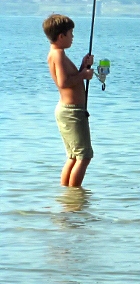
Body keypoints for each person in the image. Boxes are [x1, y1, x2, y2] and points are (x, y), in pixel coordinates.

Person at [44, 14, 95, 187]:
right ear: (61, 36)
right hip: (72, 111)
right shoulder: (57, 55)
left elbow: (70, 78)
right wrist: (84, 74)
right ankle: (75, 197)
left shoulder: (58, 54)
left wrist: (82, 67)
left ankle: (67, 194)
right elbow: (63, 82)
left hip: (69, 110)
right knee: (84, 156)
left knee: (73, 156)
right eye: (71, 33)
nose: (72, 37)